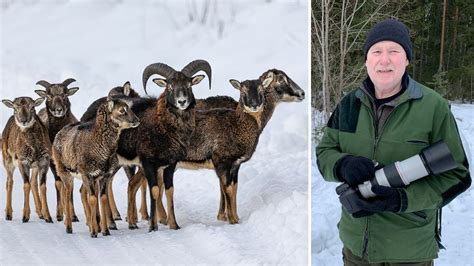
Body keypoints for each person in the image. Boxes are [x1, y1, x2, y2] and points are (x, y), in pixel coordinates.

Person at [316, 19, 471, 265]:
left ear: (407, 59)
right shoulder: (348, 106)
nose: (384, 60)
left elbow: (458, 177)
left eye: (394, 51)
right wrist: (342, 164)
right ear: (367, 60)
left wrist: (403, 200)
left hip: (409, 253)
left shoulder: (433, 108)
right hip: (356, 251)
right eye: (376, 51)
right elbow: (324, 152)